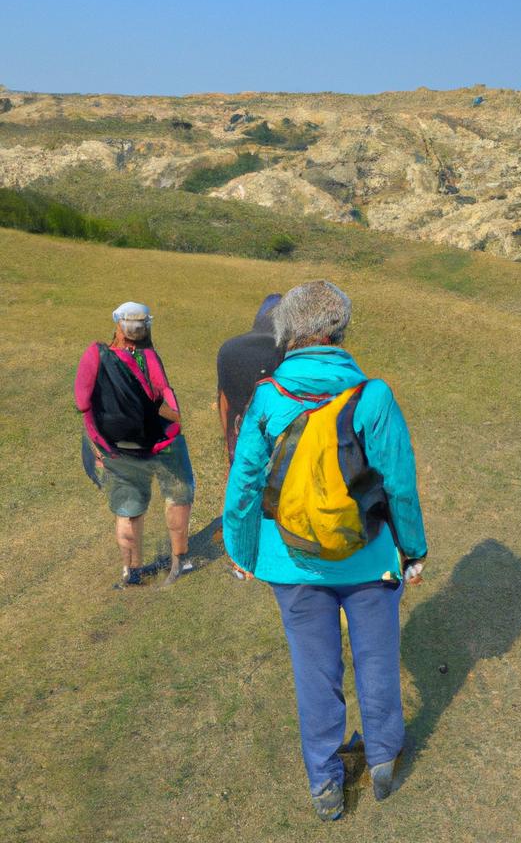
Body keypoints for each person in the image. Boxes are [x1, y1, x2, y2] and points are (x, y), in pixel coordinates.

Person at [222, 280, 427, 821]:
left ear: (287, 332)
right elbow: (399, 483)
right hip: (369, 556)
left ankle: (325, 783)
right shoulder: (373, 395)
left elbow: (244, 480)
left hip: (292, 562)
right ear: (341, 329)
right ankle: (382, 759)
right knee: (377, 659)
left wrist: (242, 551)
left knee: (314, 671)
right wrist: (413, 550)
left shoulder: (267, 397)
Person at [75, 302, 196, 588]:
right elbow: (164, 394)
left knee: (128, 509)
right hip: (161, 444)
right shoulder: (149, 355)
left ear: (118, 324)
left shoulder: (95, 353)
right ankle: (181, 561)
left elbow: (82, 402)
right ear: (146, 328)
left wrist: (98, 441)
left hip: (116, 447)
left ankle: (132, 572)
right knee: (178, 496)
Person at [216, 293, 283, 462]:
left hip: (240, 444)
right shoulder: (287, 354)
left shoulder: (228, 349)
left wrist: (229, 445)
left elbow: (224, 403)